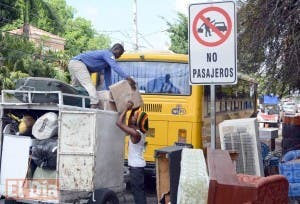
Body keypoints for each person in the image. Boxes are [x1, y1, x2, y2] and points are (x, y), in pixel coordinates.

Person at [68, 43, 136, 108]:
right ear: (116, 50)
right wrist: (128, 78)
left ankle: (69, 103)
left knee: (75, 88)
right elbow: (115, 67)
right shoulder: (108, 54)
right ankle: (94, 105)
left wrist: (109, 92)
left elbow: (107, 79)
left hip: (74, 63)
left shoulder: (107, 63)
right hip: (78, 63)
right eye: (120, 54)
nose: (120, 56)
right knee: (89, 85)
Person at [116, 100, 148, 204]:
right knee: (138, 191)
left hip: (136, 168)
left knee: (137, 192)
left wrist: (126, 108)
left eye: (135, 116)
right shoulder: (140, 132)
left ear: (138, 121)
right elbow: (129, 123)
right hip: (138, 167)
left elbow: (119, 123)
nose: (133, 116)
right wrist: (133, 109)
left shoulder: (136, 134)